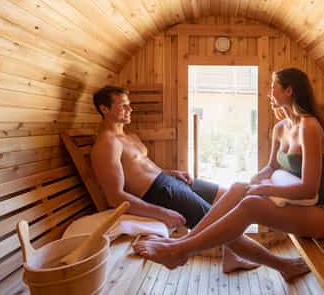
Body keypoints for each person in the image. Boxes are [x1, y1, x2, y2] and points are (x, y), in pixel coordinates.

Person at [132, 68, 324, 281]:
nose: (269, 93)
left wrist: (264, 188)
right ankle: (179, 245)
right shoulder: (280, 128)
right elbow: (271, 168)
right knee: (238, 188)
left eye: (273, 87)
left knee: (251, 204)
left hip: (323, 214)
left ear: (289, 90)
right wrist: (253, 182)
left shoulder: (310, 126)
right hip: (301, 208)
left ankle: (180, 250)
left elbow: (309, 188)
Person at [90, 86, 259, 273]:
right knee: (220, 223)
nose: (130, 110)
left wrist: (171, 173)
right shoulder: (106, 144)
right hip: (160, 192)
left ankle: (230, 257)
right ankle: (274, 262)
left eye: (129, 105)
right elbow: (114, 197)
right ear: (104, 109)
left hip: (167, 181)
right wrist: (162, 213)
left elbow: (143, 169)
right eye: (123, 106)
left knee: (231, 197)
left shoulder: (130, 137)